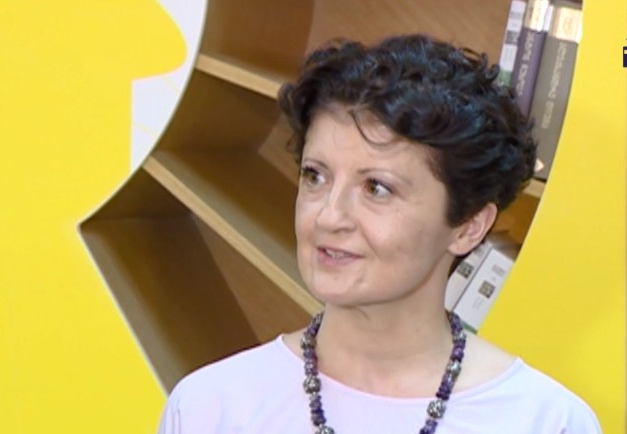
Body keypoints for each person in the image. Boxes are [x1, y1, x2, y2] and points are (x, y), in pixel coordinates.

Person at [157, 34, 601, 433]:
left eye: (376, 188)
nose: (329, 216)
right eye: (315, 176)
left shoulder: (544, 421)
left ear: (468, 226)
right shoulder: (209, 410)